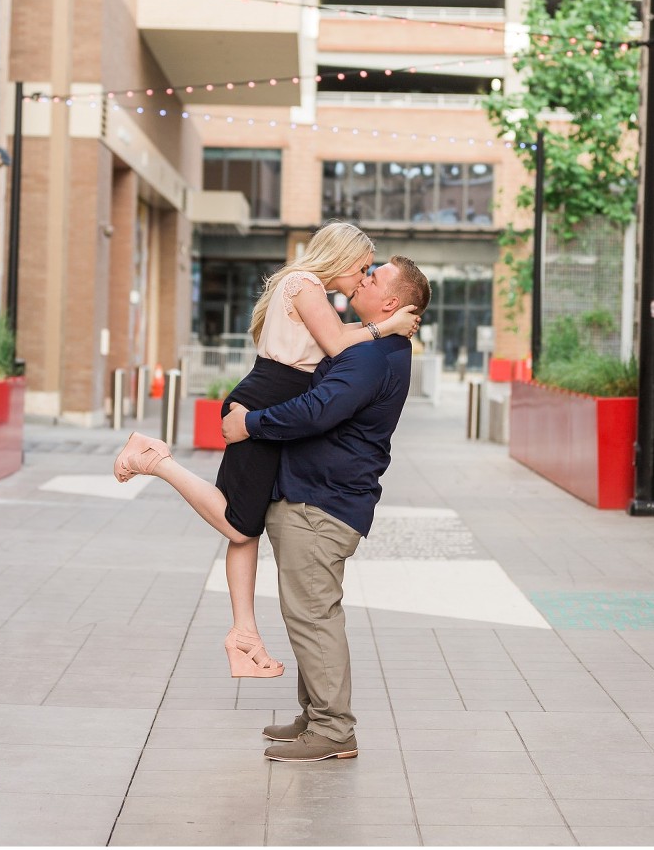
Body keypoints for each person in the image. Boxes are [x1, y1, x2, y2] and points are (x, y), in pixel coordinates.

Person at [113, 223, 420, 678]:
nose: (362, 277)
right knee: (237, 523)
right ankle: (154, 459)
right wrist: (386, 326)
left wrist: (377, 327)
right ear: (340, 256)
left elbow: (336, 335)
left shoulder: (309, 290)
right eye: (362, 268)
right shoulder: (304, 283)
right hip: (267, 400)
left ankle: (244, 637)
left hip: (276, 399)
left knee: (248, 524)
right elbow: (337, 344)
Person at [221, 255, 431, 762]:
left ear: (392, 302)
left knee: (313, 615)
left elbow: (318, 410)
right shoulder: (377, 344)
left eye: (376, 276)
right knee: (306, 613)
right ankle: (316, 716)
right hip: (320, 494)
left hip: (322, 501)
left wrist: (251, 424)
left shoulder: (374, 356)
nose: (366, 275)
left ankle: (334, 730)